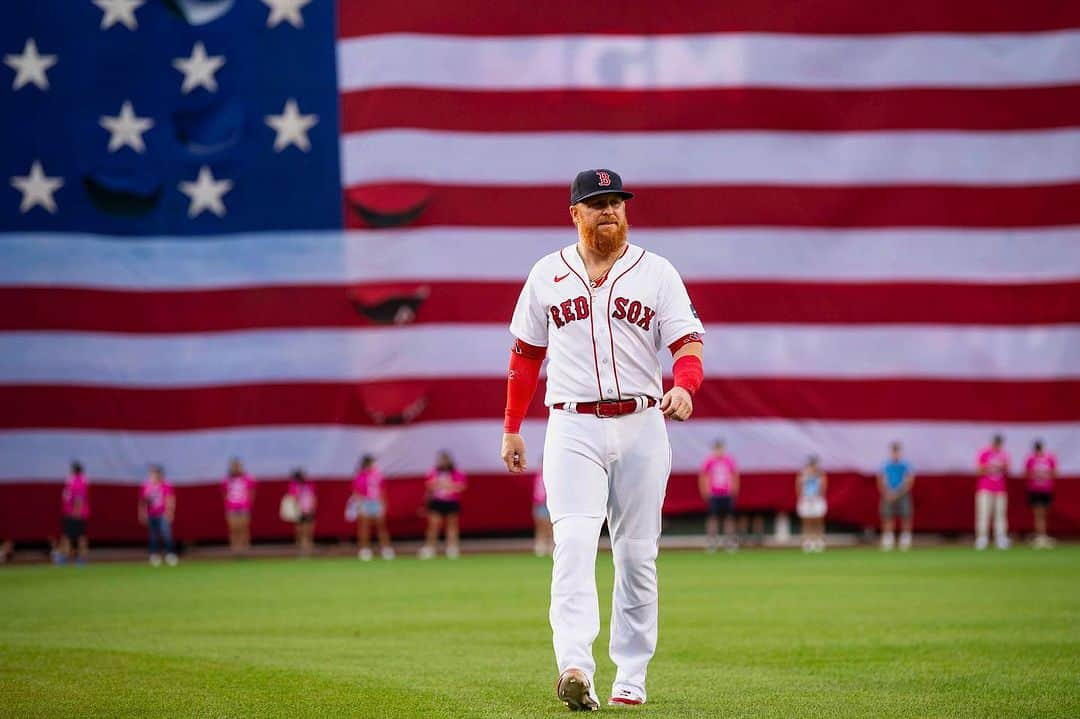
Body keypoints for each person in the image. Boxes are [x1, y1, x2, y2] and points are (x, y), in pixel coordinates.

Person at [500, 169, 705, 710]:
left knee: (637, 555)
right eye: (597, 203)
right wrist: (511, 427)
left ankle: (631, 675)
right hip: (571, 424)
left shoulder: (656, 272)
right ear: (575, 214)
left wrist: (684, 388)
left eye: (616, 201)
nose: (610, 210)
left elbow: (687, 342)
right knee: (572, 543)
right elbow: (525, 357)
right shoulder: (547, 273)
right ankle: (574, 667)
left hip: (642, 422)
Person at [419, 451, 467, 559]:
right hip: (437, 502)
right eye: (441, 460)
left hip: (451, 501)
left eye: (445, 460)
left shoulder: (457, 472)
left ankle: (452, 548)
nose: (443, 462)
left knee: (452, 526)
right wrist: (441, 485)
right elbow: (429, 485)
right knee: (433, 526)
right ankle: (430, 548)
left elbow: (461, 486)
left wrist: (448, 485)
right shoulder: (434, 471)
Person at [350, 455, 395, 561]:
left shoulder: (378, 475)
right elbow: (356, 492)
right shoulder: (359, 476)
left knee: (381, 526)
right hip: (364, 502)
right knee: (364, 527)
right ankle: (364, 550)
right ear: (367, 463)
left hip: (376, 502)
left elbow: (382, 490)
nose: (374, 465)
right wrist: (359, 504)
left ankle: (386, 549)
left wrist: (383, 503)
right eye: (372, 463)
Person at [699, 439, 739, 553]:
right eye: (717, 449)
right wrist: (705, 491)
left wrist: (734, 490)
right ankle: (712, 542)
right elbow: (703, 476)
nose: (719, 451)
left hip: (726, 494)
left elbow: (734, 475)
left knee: (729, 519)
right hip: (714, 494)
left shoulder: (729, 461)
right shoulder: (709, 462)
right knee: (713, 519)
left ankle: (730, 541)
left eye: (721, 449)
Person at [975, 435, 1010, 550]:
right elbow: (978, 470)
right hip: (985, 488)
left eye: (999, 443)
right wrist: (991, 467)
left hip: (1000, 489)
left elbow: (1007, 470)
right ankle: (982, 538)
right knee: (983, 514)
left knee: (1000, 515)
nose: (997, 445)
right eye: (996, 442)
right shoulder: (984, 453)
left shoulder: (1004, 455)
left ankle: (1000, 538)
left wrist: (1001, 467)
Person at [878, 442, 915, 551]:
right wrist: (887, 492)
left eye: (897, 451)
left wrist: (899, 492)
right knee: (887, 516)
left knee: (906, 516)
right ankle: (888, 538)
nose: (895, 454)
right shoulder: (885, 465)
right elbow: (880, 479)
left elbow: (909, 480)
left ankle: (905, 539)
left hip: (903, 494)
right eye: (893, 451)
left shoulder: (905, 465)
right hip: (888, 494)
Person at [138, 465, 178, 566]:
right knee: (153, 535)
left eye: (154, 474)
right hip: (151, 514)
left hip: (162, 513)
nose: (152, 476)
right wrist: (142, 513)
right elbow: (142, 501)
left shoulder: (166, 485)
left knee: (166, 534)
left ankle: (170, 554)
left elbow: (170, 499)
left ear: (160, 475)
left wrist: (170, 512)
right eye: (151, 474)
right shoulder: (146, 486)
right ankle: (154, 555)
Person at [1024, 440, 1057, 549]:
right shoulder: (1030, 459)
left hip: (1046, 489)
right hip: (1035, 489)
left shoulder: (1049, 458)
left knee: (1044, 513)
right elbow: (1026, 473)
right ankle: (1040, 537)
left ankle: (1043, 535)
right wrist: (1036, 474)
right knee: (1038, 513)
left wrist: (1044, 474)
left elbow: (1055, 472)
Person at [57, 461, 90, 565]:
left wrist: (76, 512)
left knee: (79, 537)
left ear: (74, 470)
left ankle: (81, 558)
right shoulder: (72, 481)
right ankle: (66, 556)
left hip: (76, 514)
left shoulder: (78, 481)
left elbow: (79, 498)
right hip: (71, 513)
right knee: (68, 535)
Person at [222, 458, 255, 556]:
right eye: (234, 466)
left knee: (244, 529)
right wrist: (229, 504)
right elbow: (224, 494)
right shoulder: (226, 480)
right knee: (233, 529)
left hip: (244, 507)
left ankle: (245, 550)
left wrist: (248, 504)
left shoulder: (248, 478)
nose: (236, 468)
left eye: (238, 466)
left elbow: (251, 493)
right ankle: (235, 550)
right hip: (231, 508)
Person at [796, 456, 828, 552]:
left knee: (818, 521)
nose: (813, 466)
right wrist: (803, 498)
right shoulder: (802, 475)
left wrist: (818, 497)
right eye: (811, 464)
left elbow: (823, 487)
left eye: (814, 464)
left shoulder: (821, 475)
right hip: (806, 499)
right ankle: (807, 541)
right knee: (807, 521)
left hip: (817, 499)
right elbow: (798, 487)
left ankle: (819, 541)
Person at [286, 469, 317, 556]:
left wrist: (312, 507)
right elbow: (292, 498)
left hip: (309, 510)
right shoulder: (293, 485)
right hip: (298, 511)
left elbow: (313, 496)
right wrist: (297, 509)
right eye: (303, 475)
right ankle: (300, 548)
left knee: (309, 529)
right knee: (300, 530)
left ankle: (309, 548)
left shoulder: (310, 485)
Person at [532, 465, 553, 557]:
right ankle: (541, 547)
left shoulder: (553, 475)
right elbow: (537, 492)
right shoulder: (539, 476)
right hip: (540, 504)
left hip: (550, 503)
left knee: (551, 527)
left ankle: (552, 546)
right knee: (541, 526)